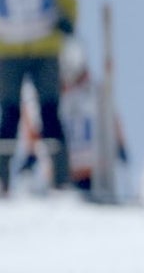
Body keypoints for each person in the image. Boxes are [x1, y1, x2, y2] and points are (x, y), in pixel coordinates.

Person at [0, 0, 78, 194]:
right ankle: (2, 179)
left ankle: (60, 178)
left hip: (45, 47)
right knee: (8, 114)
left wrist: (68, 19)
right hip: (7, 50)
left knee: (50, 112)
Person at [18, 39, 126, 194]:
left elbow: (111, 122)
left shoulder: (96, 92)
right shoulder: (41, 99)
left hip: (94, 173)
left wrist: (120, 148)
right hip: (59, 176)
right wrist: (30, 157)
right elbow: (33, 132)